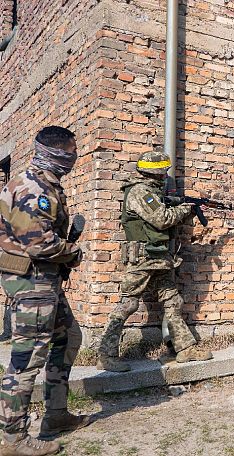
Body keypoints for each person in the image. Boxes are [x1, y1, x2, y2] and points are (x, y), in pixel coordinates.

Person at [0, 126, 91, 455]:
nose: (75, 156)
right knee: (26, 358)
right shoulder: (32, 188)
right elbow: (40, 244)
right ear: (58, 152)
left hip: (44, 280)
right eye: (72, 150)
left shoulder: (46, 184)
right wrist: (73, 252)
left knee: (68, 336)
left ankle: (55, 414)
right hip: (33, 282)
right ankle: (13, 438)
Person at [96, 152, 212, 372]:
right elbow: (162, 219)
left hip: (159, 257)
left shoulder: (151, 192)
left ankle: (185, 348)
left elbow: (166, 219)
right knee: (129, 303)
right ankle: (106, 354)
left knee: (172, 301)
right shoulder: (141, 192)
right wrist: (184, 208)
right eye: (163, 171)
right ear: (158, 172)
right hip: (143, 258)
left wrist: (186, 210)